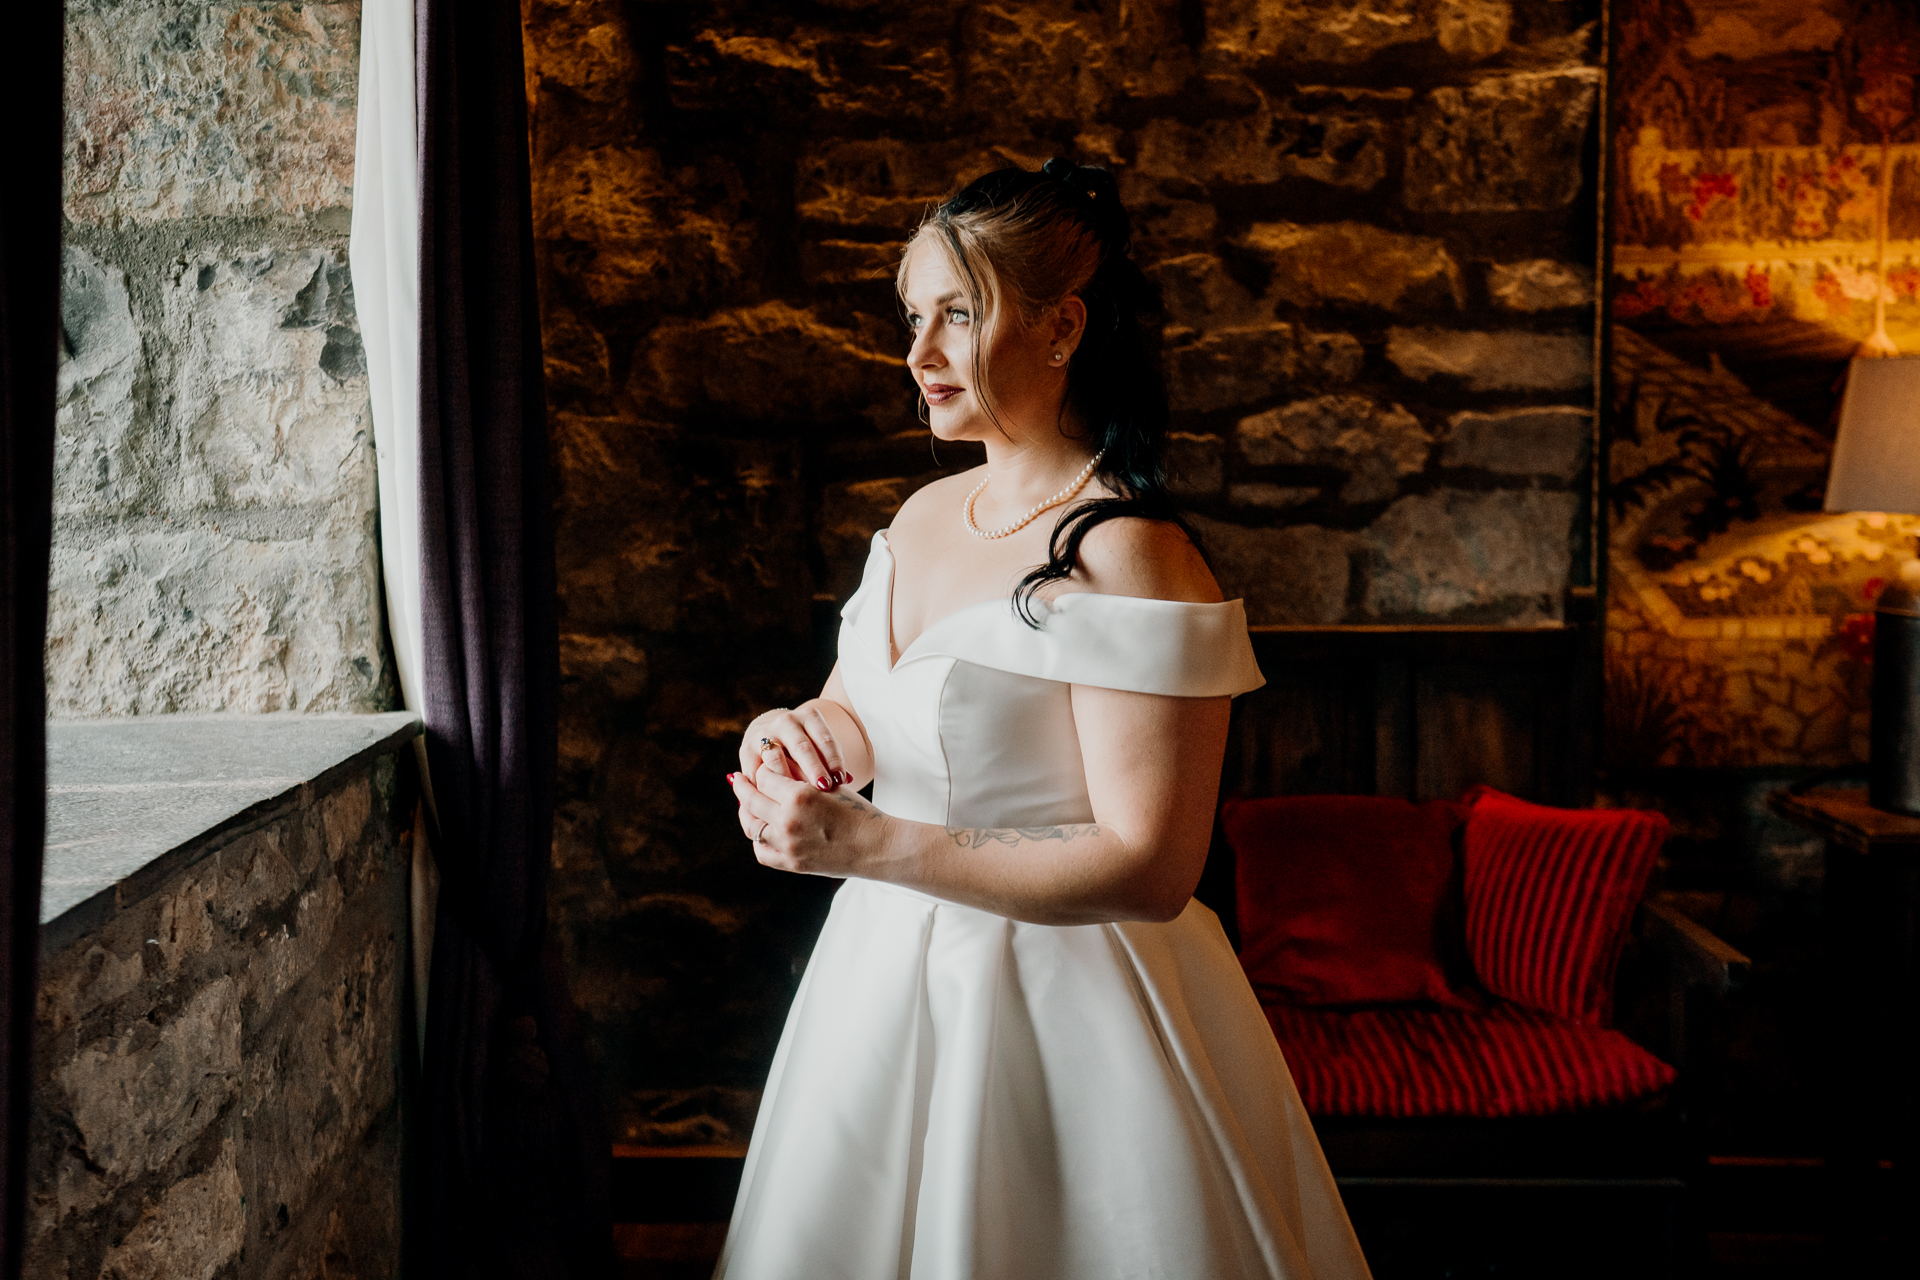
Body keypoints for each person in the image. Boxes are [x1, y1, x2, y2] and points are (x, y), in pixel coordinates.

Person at [717, 159, 1371, 1280]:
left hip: (1069, 1003)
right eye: (912, 315)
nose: (917, 354)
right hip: (878, 982)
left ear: (1063, 324)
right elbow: (863, 707)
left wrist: (871, 844)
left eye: (957, 314)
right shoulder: (922, 516)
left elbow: (1152, 862)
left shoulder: (1130, 553)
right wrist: (792, 735)